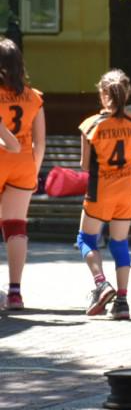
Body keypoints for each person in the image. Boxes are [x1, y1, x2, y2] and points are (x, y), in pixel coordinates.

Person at [78, 70, 131, 319]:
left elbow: (84, 165)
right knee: (120, 244)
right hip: (126, 191)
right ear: (127, 93)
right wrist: (126, 168)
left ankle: (101, 284)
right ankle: (122, 302)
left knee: (86, 239)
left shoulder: (91, 125)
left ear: (102, 94)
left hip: (100, 190)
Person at [0, 37, 45, 311]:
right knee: (16, 226)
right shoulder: (34, 97)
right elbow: (40, 142)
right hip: (24, 163)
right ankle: (15, 292)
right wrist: (33, 173)